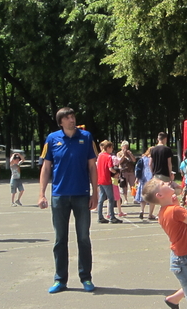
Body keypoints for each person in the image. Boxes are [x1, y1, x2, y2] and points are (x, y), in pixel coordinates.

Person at [38, 107, 99, 293]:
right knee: (60, 239)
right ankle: (60, 279)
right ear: (61, 122)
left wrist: (95, 193)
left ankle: (86, 278)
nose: (72, 120)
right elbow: (46, 168)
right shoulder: (52, 139)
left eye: (73, 117)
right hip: (59, 196)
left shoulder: (86, 137)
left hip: (81, 194)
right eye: (68, 118)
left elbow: (92, 167)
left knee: (83, 238)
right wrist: (42, 193)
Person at [142, 178, 187, 309]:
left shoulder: (166, 211)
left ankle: (174, 299)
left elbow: (178, 222)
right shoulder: (175, 211)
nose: (167, 183)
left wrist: (177, 205)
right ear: (159, 195)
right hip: (184, 260)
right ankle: (186, 292)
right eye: (162, 184)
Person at [97, 140, 122, 224]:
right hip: (106, 179)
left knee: (101, 198)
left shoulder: (100, 155)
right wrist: (117, 172)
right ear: (108, 148)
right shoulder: (108, 157)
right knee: (111, 199)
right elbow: (110, 168)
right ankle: (112, 217)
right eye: (111, 148)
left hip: (100, 179)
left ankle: (100, 216)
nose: (112, 150)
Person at [135, 147, 156, 220]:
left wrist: (137, 178)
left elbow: (138, 168)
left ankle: (142, 210)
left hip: (143, 179)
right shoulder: (154, 159)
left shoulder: (143, 159)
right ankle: (150, 214)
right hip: (151, 179)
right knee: (152, 197)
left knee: (143, 196)